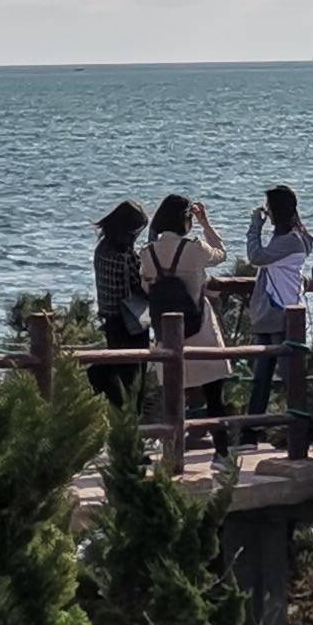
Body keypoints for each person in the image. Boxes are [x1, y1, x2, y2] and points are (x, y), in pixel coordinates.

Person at [136, 192, 234, 450]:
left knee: (173, 397)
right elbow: (222, 253)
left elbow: (147, 288)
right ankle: (222, 453)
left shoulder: (148, 253)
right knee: (214, 395)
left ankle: (173, 452)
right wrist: (206, 223)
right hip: (199, 326)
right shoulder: (194, 249)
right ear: (186, 220)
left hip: (166, 331)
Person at [242, 184, 313, 443]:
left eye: (269, 207)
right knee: (262, 375)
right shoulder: (294, 236)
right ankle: (253, 428)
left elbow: (256, 257)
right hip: (275, 311)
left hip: (279, 311)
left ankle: (298, 427)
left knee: (287, 373)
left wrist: (255, 226)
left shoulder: (290, 240)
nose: (267, 212)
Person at [88, 200, 152, 409]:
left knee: (118, 369)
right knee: (134, 380)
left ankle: (114, 409)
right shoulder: (126, 256)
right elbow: (139, 286)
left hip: (109, 317)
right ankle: (133, 424)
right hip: (130, 321)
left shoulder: (102, 249)